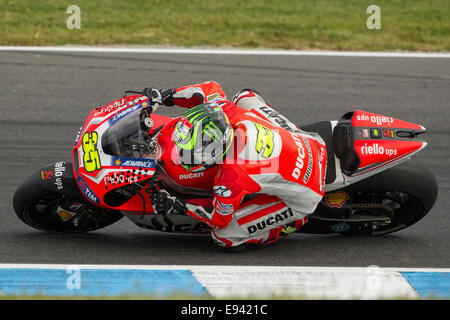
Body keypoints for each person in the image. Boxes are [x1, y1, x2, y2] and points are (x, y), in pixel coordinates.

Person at [148, 81, 327, 251]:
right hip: (307, 141)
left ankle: (290, 224)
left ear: (216, 154)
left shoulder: (232, 175)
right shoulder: (227, 113)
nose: (183, 156)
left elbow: (217, 217)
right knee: (245, 95)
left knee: (224, 236)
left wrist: (176, 204)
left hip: (309, 190)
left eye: (193, 154)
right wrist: (163, 96)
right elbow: (208, 89)